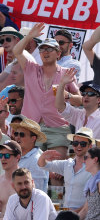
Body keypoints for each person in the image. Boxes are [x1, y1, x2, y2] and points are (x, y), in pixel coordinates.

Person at [13, 23, 80, 159]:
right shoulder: (31, 68)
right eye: (42, 49)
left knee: (55, 170)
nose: (45, 52)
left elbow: (80, 100)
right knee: (28, 167)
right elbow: (17, 51)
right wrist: (29, 37)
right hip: (31, 127)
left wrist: (67, 96)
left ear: (58, 53)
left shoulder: (66, 73)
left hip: (57, 127)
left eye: (50, 49)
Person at [38, 127, 94, 211]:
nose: (78, 146)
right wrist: (43, 156)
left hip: (84, 214)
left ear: (90, 146)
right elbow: (42, 165)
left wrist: (78, 213)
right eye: (75, 143)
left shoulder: (94, 168)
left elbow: (94, 199)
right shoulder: (67, 163)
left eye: (83, 144)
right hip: (66, 212)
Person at [80, 146, 100, 220]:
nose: (83, 161)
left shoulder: (99, 182)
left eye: (86, 158)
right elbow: (85, 210)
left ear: (95, 160)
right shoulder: (91, 182)